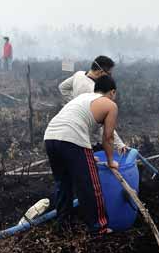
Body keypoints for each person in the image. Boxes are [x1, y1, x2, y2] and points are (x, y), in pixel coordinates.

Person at [43, 76, 120, 234]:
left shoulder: (83, 98)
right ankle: (99, 228)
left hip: (50, 137)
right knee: (91, 185)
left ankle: (63, 226)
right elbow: (108, 137)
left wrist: (88, 156)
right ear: (112, 92)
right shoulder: (110, 105)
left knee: (63, 184)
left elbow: (78, 124)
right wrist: (111, 161)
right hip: (71, 139)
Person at [58, 56, 127, 152]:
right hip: (88, 139)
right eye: (109, 74)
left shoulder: (79, 75)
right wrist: (120, 144)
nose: (109, 77)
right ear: (99, 72)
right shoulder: (94, 91)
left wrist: (73, 102)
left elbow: (62, 87)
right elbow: (105, 124)